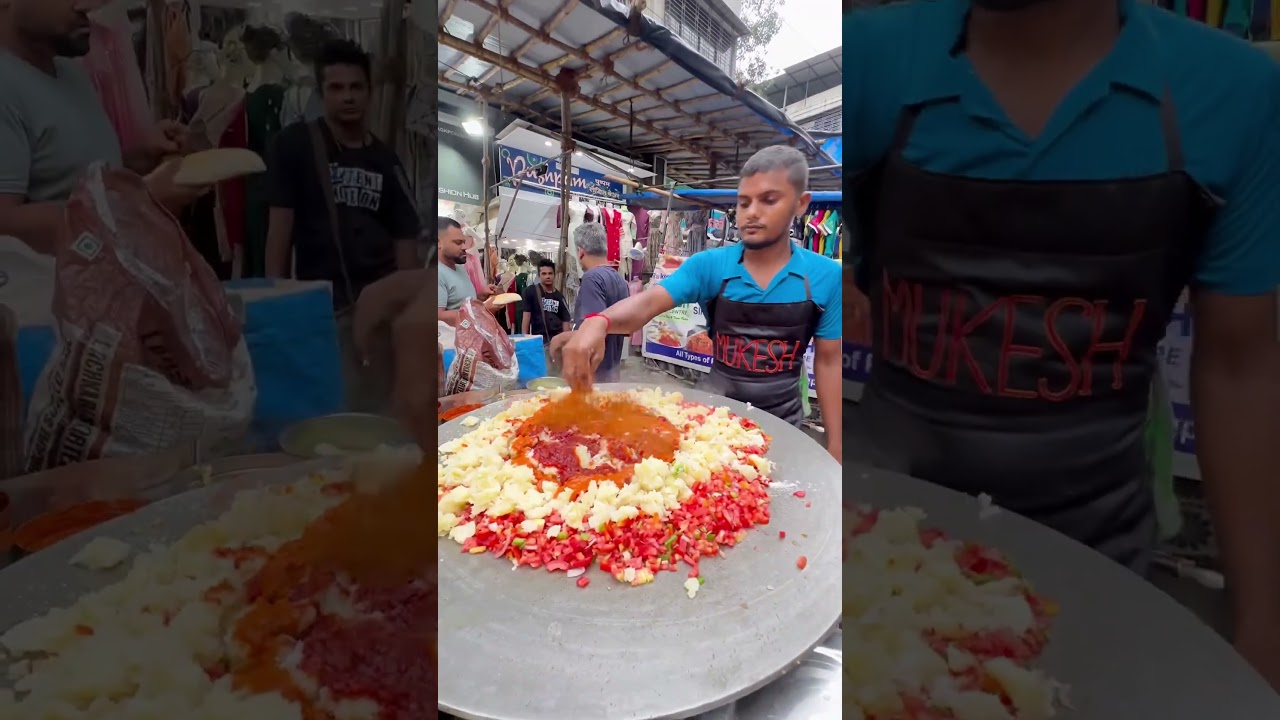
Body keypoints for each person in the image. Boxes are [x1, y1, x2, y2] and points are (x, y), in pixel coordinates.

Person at [845, 0, 1280, 686]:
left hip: (1096, 570)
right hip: (881, 550)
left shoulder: (1231, 94)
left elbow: (1242, 365)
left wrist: (1264, 626)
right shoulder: (868, 61)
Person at [560, 145, 843, 460]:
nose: (752, 212)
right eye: (744, 202)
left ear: (801, 203)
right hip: (716, 423)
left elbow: (829, 361)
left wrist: (837, 442)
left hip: (785, 424)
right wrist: (599, 322)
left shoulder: (826, 276)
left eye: (769, 200)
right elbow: (647, 303)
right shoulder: (710, 266)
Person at [0, 0, 204, 255]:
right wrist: (137, 200)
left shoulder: (69, 72)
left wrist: (136, 159)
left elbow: (70, 182)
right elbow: (4, 224)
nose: (86, 6)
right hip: (54, 281)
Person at [264, 38, 419, 311]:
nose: (348, 97)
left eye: (356, 87)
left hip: (378, 302)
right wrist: (277, 303)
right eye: (336, 88)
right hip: (320, 302)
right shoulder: (296, 144)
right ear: (321, 93)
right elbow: (279, 230)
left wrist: (405, 307)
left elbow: (405, 239)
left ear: (369, 91)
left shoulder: (386, 160)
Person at [550, 223, 631, 383]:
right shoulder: (621, 280)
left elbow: (593, 333)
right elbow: (624, 329)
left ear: (580, 251)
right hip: (611, 371)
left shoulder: (592, 278)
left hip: (592, 372)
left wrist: (560, 338)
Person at [520, 259, 571, 344]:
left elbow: (565, 320)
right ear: (539, 275)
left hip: (557, 340)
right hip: (539, 340)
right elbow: (526, 317)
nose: (547, 276)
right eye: (544, 274)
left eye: (550, 273)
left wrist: (566, 342)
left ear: (554, 275)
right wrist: (524, 339)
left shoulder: (559, 297)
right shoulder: (531, 292)